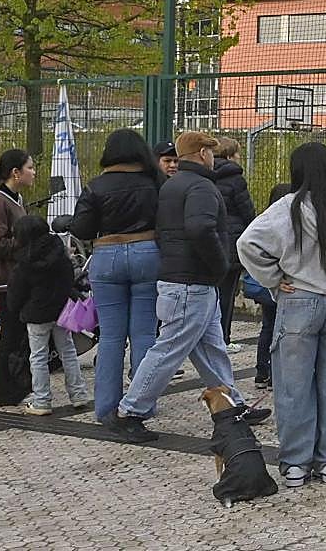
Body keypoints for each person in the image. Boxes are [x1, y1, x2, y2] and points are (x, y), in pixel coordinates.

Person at [105, 131, 269, 443]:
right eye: (210, 150)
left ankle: (233, 405)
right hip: (192, 283)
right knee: (168, 349)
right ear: (201, 153)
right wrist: (219, 263)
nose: (213, 156)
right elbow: (200, 228)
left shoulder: (172, 186)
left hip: (184, 281)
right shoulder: (201, 186)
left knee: (211, 349)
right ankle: (129, 411)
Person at [238, 142, 326, 488]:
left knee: (294, 386)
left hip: (300, 301)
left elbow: (247, 244)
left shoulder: (288, 207)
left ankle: (296, 465)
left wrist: (274, 279)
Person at [69, 129, 162, 422]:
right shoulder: (155, 183)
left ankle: (106, 407)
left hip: (107, 257)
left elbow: (82, 230)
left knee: (111, 337)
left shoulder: (96, 186)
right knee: (145, 334)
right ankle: (142, 405)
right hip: (148, 253)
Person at [8, 215, 91, 415]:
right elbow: (69, 280)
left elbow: (16, 293)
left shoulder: (24, 262)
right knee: (68, 352)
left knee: (37, 357)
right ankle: (79, 394)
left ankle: (42, 400)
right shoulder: (60, 254)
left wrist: (18, 310)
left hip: (36, 314)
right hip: (62, 311)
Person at [0, 149, 36, 407]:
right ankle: (6, 390)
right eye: (30, 168)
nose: (34, 172)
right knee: (11, 334)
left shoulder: (16, 199)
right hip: (5, 279)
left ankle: (18, 385)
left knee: (18, 333)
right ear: (16, 172)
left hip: (18, 276)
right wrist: (25, 244)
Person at [243, 182, 291, 390]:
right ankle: (274, 374)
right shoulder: (286, 225)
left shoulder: (263, 223)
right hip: (282, 287)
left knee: (267, 327)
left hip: (266, 288)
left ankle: (262, 371)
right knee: (281, 331)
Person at [212, 137, 256, 349]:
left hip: (209, 241)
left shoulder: (203, 176)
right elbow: (248, 212)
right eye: (237, 153)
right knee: (226, 295)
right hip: (231, 242)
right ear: (229, 156)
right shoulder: (235, 179)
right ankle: (223, 338)